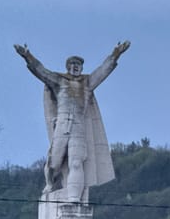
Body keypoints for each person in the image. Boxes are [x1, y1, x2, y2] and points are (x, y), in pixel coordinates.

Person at [14, 41, 130, 202]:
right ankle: (50, 183)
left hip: (79, 128)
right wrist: (27, 56)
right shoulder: (59, 81)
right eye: (73, 64)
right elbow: (41, 71)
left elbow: (104, 70)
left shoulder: (87, 83)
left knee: (76, 162)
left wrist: (116, 54)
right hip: (62, 125)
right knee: (54, 162)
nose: (76, 67)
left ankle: (74, 198)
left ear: (82, 68)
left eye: (79, 64)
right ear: (67, 67)